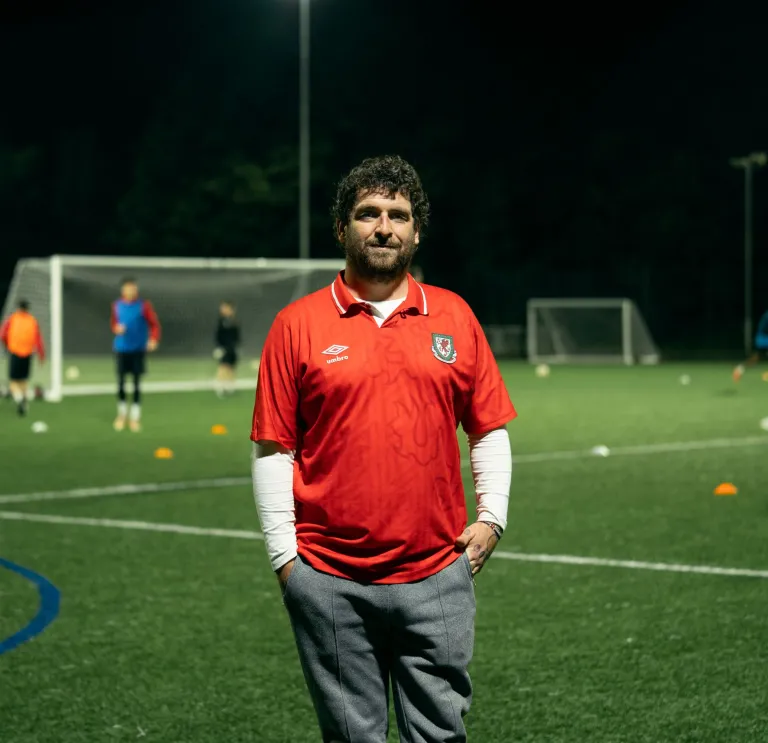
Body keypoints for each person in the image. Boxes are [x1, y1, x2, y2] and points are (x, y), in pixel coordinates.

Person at [251, 155, 516, 743]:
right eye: (367, 213)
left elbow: (488, 426)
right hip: (329, 579)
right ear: (341, 228)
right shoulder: (296, 324)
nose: (383, 226)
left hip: (437, 573)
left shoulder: (454, 315)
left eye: (398, 214)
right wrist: (286, 564)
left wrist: (492, 517)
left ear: (416, 231)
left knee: (441, 734)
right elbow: (274, 448)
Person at [111, 278, 161, 431]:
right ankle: (121, 414)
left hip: (138, 350)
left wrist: (153, 339)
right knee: (120, 383)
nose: (131, 291)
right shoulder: (116, 306)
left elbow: (155, 324)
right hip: (121, 349)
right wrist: (116, 329)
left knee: (137, 383)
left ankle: (135, 417)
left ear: (136, 289)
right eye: (128, 288)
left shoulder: (144, 306)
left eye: (133, 288)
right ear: (123, 290)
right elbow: (113, 324)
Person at [0, 300, 45, 416]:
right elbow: (38, 339)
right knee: (23, 380)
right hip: (28, 354)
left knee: (13, 381)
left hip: (15, 352)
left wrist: (6, 345)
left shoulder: (12, 319)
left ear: (18, 308)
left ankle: (19, 400)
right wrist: (41, 355)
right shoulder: (32, 321)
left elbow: (2, 334)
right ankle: (25, 402)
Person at [213, 300, 240, 397]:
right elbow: (218, 336)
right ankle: (220, 386)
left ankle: (230, 386)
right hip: (224, 348)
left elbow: (237, 336)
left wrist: (237, 346)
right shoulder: (221, 322)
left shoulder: (234, 321)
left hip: (232, 348)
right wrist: (218, 347)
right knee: (223, 366)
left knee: (231, 367)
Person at [733, 308, 768, 382]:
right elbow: (763, 329)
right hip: (763, 339)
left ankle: (739, 369)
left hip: (762, 339)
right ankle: (739, 369)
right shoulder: (767, 315)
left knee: (757, 357)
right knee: (757, 357)